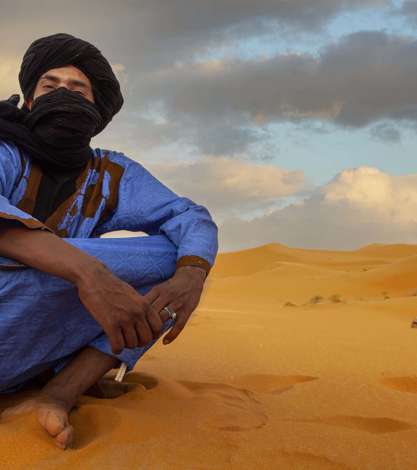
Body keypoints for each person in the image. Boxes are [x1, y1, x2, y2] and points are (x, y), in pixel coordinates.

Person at [0, 33, 218, 449]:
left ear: (94, 108)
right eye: (50, 86)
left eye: (77, 88)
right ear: (29, 101)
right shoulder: (6, 150)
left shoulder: (110, 173)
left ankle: (60, 393)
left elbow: (188, 216)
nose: (63, 93)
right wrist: (91, 275)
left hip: (22, 340)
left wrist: (192, 274)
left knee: (179, 257)